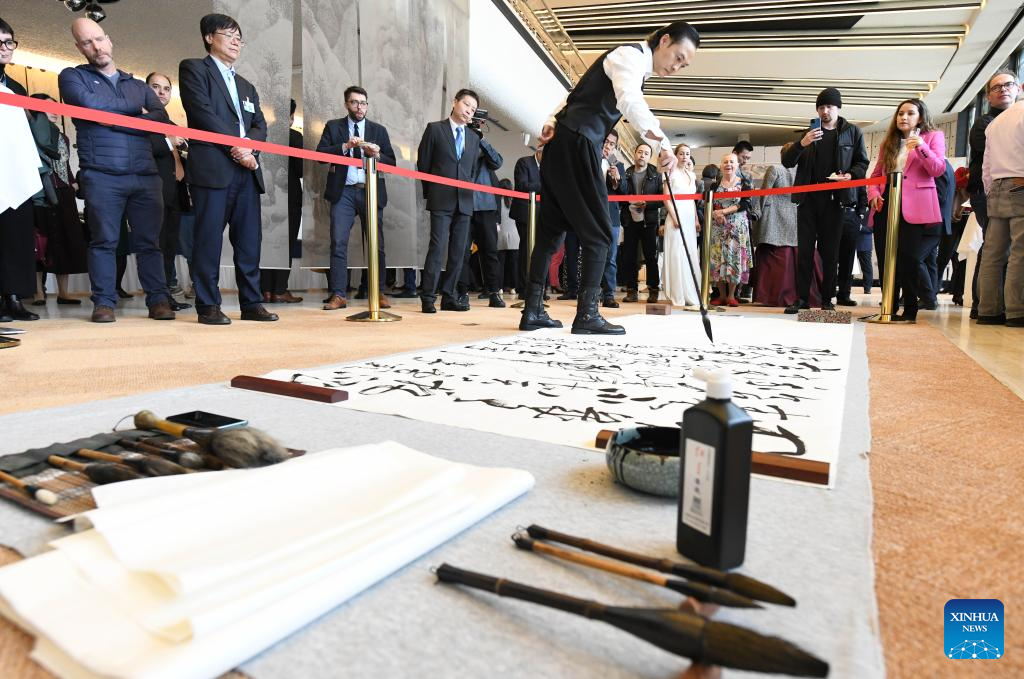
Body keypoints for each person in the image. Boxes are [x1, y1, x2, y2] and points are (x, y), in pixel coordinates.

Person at [523, 21, 701, 335]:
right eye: (678, 57)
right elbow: (628, 101)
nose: (677, 67)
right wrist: (663, 144)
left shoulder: (631, 63)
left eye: (683, 65)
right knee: (601, 233)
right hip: (579, 142)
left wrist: (552, 119)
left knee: (551, 230)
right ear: (664, 40)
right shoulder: (630, 56)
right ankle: (587, 314)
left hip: (565, 142)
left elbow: (576, 93)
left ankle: (533, 310)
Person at [59, 17, 176, 323]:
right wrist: (135, 113)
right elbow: (86, 103)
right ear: (79, 48)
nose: (96, 47)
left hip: (145, 175)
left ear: (109, 40)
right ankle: (104, 303)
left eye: (99, 39)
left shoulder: (138, 85)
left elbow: (160, 117)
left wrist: (110, 117)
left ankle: (158, 300)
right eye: (87, 42)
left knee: (150, 243)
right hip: (101, 174)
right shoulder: (72, 77)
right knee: (104, 241)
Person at [179, 13, 277, 325]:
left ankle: (252, 303)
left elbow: (260, 125)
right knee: (208, 239)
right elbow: (202, 113)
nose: (236, 42)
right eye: (228, 35)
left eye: (239, 38)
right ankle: (208, 305)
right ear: (209, 37)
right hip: (213, 167)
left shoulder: (247, 86)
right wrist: (237, 147)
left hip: (247, 170)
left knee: (249, 242)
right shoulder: (194, 69)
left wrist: (249, 149)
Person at [782, 87, 869, 313]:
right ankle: (802, 299)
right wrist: (802, 143)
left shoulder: (852, 132)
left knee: (830, 253)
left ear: (838, 108)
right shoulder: (809, 133)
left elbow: (862, 163)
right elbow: (787, 162)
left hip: (835, 200)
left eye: (829, 106)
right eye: (821, 107)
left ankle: (827, 299)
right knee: (804, 252)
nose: (825, 111)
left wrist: (850, 175)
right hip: (807, 200)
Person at [866, 98, 947, 323]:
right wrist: (873, 194)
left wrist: (920, 146)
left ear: (920, 117)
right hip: (886, 204)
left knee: (909, 258)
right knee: (885, 257)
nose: (904, 117)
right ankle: (888, 307)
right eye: (901, 113)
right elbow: (876, 176)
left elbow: (938, 169)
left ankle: (910, 309)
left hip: (915, 206)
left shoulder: (933, 137)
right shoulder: (889, 143)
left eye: (910, 113)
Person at [318, 86, 396, 311]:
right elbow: (320, 155)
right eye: (354, 102)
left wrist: (377, 155)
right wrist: (345, 146)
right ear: (346, 104)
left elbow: (392, 163)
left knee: (376, 244)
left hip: (370, 190)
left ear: (367, 105)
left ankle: (378, 292)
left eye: (363, 103)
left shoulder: (378, 130)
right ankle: (338, 294)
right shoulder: (334, 126)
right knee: (338, 242)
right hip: (343, 191)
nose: (359, 107)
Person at [416, 88, 482, 313]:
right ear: (455, 102)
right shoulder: (435, 129)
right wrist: (432, 192)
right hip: (441, 198)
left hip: (464, 201)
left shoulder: (474, 138)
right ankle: (428, 296)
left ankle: (449, 296)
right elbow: (423, 164)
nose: (469, 111)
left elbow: (471, 170)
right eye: (466, 105)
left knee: (459, 251)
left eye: (473, 109)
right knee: (437, 247)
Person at [966, 69, 1018, 318]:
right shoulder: (985, 123)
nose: (1003, 89)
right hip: (987, 191)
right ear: (988, 96)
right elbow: (993, 158)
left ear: (1017, 88)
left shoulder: (1009, 119)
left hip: (997, 189)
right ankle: (984, 305)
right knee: (996, 249)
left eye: (1008, 84)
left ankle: (991, 306)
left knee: (996, 249)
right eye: (996, 87)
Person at [27, 95, 88, 308]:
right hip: (42, 192)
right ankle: (38, 292)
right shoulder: (31, 133)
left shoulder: (62, 137)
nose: (54, 111)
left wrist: (72, 183)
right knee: (40, 242)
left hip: (64, 193)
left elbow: (65, 164)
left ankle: (64, 293)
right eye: (47, 107)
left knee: (66, 239)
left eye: (55, 107)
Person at [0, 17, 42, 323]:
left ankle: (13, 297)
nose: (4, 48)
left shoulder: (16, 88)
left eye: (9, 42)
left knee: (16, 236)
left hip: (13, 170)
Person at [145, 72, 192, 311]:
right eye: (156, 87)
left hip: (176, 192)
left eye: (166, 89)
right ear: (145, 90)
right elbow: (146, 148)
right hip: (154, 193)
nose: (161, 92)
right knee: (156, 246)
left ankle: (166, 295)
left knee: (170, 247)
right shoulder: (140, 119)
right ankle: (157, 297)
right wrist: (169, 142)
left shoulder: (171, 124)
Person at [978, 98, 1024, 327]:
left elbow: (986, 165)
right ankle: (1017, 311)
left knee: (992, 254)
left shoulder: (996, 122)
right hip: (1020, 183)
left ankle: (988, 310)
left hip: (996, 186)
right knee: (1020, 252)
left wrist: (990, 190)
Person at [261, 98, 303, 305]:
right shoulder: (294, 136)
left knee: (267, 242)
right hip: (289, 194)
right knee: (285, 243)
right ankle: (279, 290)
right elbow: (300, 169)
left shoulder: (264, 133)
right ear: (291, 116)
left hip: (266, 195)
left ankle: (265, 290)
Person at [752, 145, 803, 307]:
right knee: (791, 258)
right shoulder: (801, 171)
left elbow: (764, 193)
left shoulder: (775, 169)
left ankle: (769, 296)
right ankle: (792, 295)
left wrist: (757, 213)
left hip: (773, 217)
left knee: (770, 258)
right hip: (794, 217)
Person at [464, 125, 504, 307]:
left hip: (485, 206)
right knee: (462, 251)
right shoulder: (458, 143)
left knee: (490, 251)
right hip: (463, 204)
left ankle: (494, 292)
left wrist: (481, 139)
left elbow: (497, 161)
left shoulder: (483, 150)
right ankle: (461, 291)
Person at [620, 143, 663, 304]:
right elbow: (621, 195)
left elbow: (662, 199)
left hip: (649, 220)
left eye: (646, 153)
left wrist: (648, 204)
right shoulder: (627, 172)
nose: (642, 155)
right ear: (635, 153)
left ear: (649, 156)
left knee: (650, 256)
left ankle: (653, 289)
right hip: (630, 219)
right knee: (629, 256)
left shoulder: (656, 174)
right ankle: (631, 290)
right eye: (640, 152)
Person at [708, 153, 752, 307]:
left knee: (734, 259)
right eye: (725, 162)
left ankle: (732, 295)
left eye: (732, 162)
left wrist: (723, 212)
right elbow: (709, 204)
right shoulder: (714, 185)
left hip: (736, 227)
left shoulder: (744, 183)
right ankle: (721, 295)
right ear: (721, 166)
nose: (728, 165)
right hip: (718, 227)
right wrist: (716, 214)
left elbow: (745, 204)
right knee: (717, 260)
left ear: (737, 165)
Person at [660, 143, 700, 306]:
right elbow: (666, 198)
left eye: (687, 154)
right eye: (681, 153)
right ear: (676, 156)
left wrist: (696, 219)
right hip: (675, 216)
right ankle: (677, 293)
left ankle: (690, 292)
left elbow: (692, 200)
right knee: (676, 254)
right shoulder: (671, 172)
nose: (685, 157)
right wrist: (675, 218)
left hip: (689, 217)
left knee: (690, 253)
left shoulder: (691, 175)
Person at [510, 145, 543, 298]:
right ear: (539, 151)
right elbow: (522, 185)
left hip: (541, 214)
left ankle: (538, 288)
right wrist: (544, 186)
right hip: (524, 212)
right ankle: (523, 288)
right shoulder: (524, 162)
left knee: (540, 250)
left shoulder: (548, 167)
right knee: (526, 249)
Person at [601, 130, 628, 308]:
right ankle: (590, 293)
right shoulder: (590, 160)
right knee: (591, 255)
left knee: (610, 257)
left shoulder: (618, 165)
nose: (608, 146)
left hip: (612, 216)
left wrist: (617, 179)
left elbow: (625, 192)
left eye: (612, 144)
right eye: (606, 142)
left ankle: (609, 294)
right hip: (592, 214)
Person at [834, 186, 869, 306]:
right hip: (833, 214)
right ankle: (826, 294)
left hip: (852, 215)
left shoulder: (858, 176)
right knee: (829, 257)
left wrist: (860, 214)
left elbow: (863, 195)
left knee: (848, 259)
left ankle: (844, 294)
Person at [496, 178, 520, 294]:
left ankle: (499, 287)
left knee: (500, 263)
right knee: (513, 264)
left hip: (500, 235)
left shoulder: (497, 201)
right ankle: (513, 287)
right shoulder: (515, 201)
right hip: (515, 236)